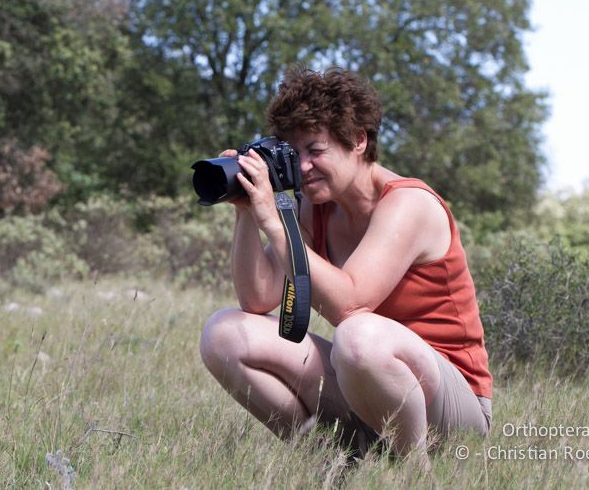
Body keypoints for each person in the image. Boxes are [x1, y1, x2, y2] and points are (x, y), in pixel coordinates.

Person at [199, 67, 492, 458]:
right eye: (293, 152)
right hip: (364, 384)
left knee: (357, 336)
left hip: (453, 408)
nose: (302, 168)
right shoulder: (313, 209)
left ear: (358, 140)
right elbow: (257, 300)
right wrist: (247, 215)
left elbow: (350, 305)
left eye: (315, 150)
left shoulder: (409, 204)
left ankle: (412, 475)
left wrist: (274, 218)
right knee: (225, 333)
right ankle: (333, 464)